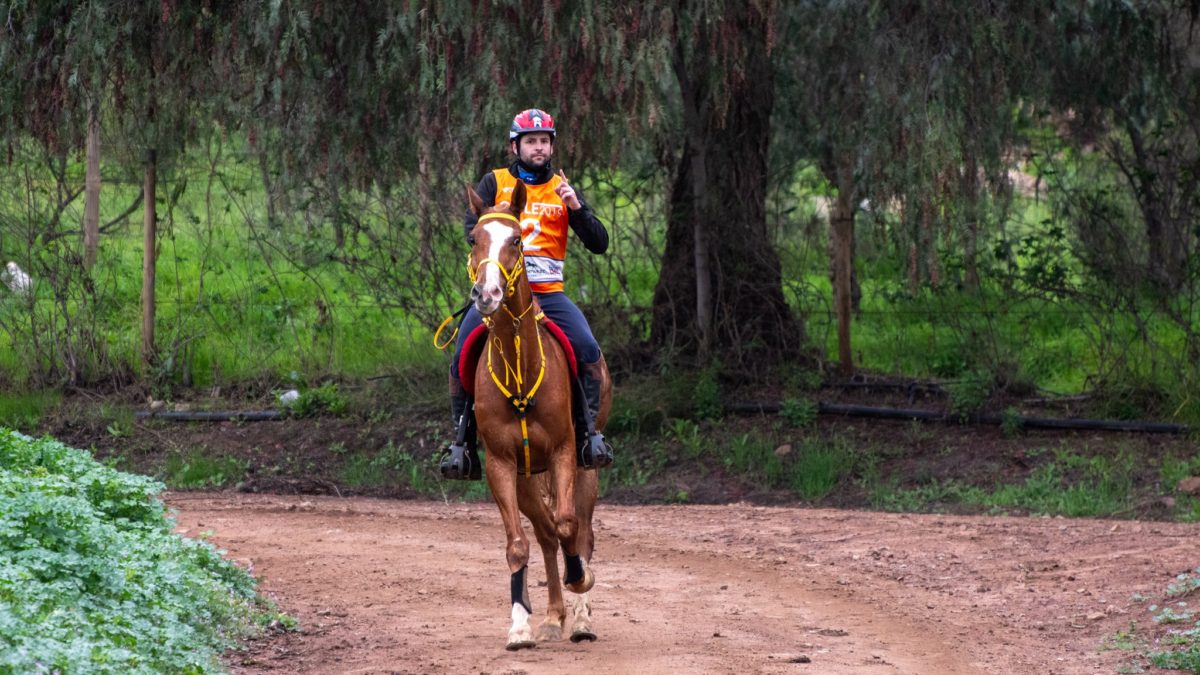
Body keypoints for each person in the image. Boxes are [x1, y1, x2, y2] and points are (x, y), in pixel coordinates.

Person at [440, 108, 613, 480]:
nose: (538, 148)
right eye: (531, 141)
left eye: (544, 141)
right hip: (499, 294)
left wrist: (577, 210)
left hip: (548, 294)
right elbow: (475, 231)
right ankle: (463, 444)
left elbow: (600, 243)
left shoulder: (563, 188)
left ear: (551, 146)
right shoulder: (494, 182)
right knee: (460, 358)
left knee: (587, 350)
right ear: (515, 146)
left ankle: (588, 437)